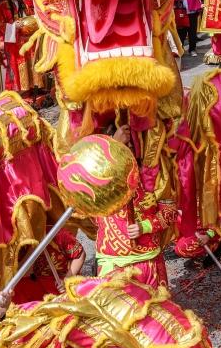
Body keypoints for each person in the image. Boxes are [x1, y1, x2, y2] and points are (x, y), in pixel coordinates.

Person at [94, 124, 173, 288]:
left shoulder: (152, 174)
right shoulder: (97, 177)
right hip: (113, 266)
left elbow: (170, 212)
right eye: (121, 148)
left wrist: (145, 226)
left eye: (131, 147)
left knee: (155, 312)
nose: (127, 152)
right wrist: (114, 145)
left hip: (148, 263)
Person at [13, 229, 85, 303]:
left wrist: (66, 280)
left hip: (61, 281)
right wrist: (34, 247)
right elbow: (26, 272)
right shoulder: (17, 241)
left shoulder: (59, 234)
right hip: (37, 282)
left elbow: (80, 255)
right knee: (15, 287)